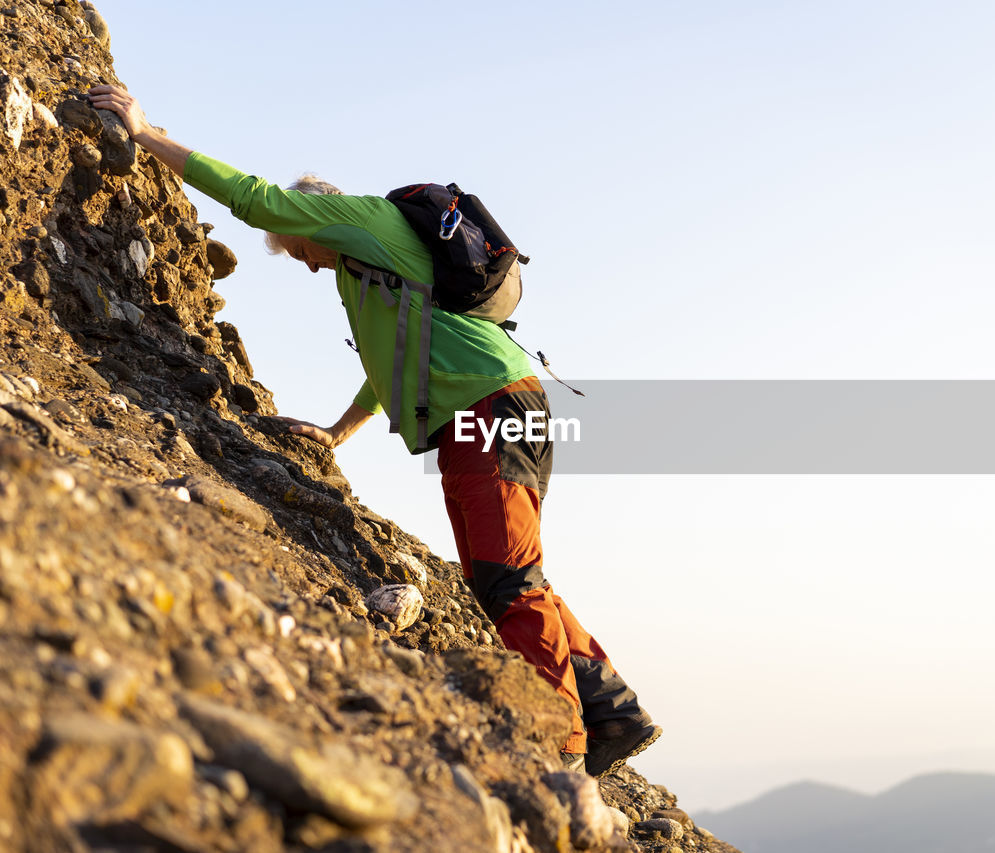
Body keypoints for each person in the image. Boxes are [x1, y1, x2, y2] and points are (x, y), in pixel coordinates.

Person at [87, 84, 660, 777]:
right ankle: (612, 711)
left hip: (490, 411)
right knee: (498, 575)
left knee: (509, 578)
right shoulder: (368, 273)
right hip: (488, 411)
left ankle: (562, 745)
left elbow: (252, 196)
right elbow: (395, 364)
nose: (296, 257)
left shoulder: (360, 223)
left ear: (313, 215)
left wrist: (145, 136)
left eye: (292, 244)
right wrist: (338, 432)